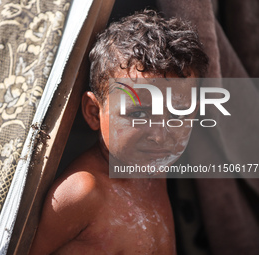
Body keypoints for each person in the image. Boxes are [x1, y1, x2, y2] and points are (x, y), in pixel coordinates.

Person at [30, 9, 208, 255]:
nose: (159, 135)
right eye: (137, 114)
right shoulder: (83, 192)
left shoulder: (155, 170)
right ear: (94, 112)